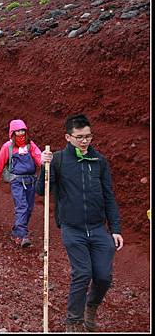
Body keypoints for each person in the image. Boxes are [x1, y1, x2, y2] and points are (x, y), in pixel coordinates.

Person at [37, 114, 123, 332]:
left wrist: (115, 229)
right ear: (68, 137)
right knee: (83, 273)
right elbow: (41, 190)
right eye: (79, 137)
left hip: (97, 228)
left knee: (103, 276)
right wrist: (43, 167)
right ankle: (74, 322)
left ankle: (90, 307)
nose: (85, 141)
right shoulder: (57, 160)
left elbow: (109, 196)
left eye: (88, 136)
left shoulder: (99, 161)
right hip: (72, 228)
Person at [0, 119, 42, 248]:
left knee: (29, 208)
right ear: (12, 133)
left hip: (31, 180)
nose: (20, 133)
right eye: (17, 131)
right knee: (22, 207)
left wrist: (45, 161)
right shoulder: (7, 147)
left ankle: (16, 232)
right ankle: (23, 236)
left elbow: (39, 157)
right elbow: (0, 164)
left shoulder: (30, 145)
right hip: (17, 181)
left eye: (22, 131)